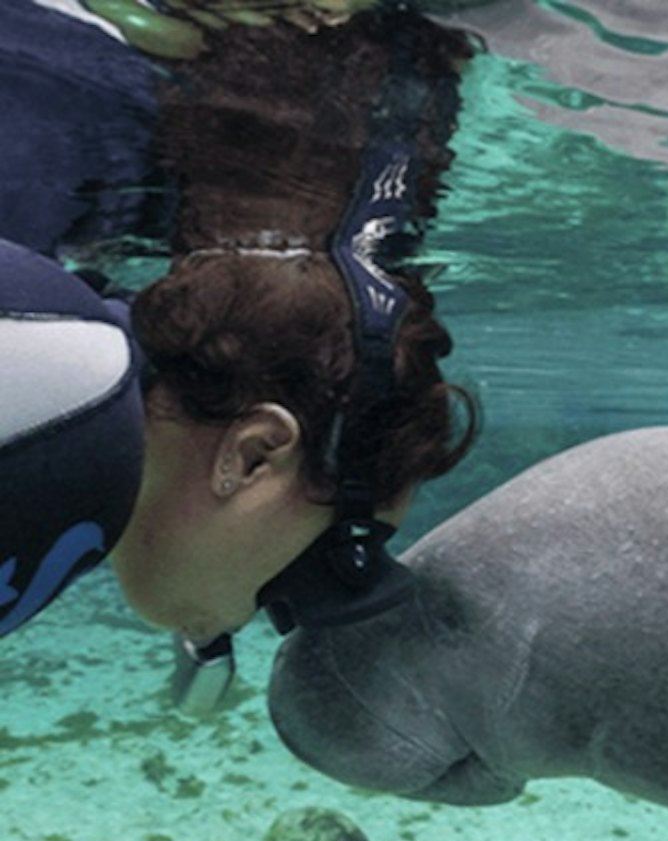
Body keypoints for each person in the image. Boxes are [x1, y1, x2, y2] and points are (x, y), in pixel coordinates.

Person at [0, 0, 480, 707]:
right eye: (307, 576)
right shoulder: (56, 387)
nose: (248, 618)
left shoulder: (71, 207)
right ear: (254, 454)